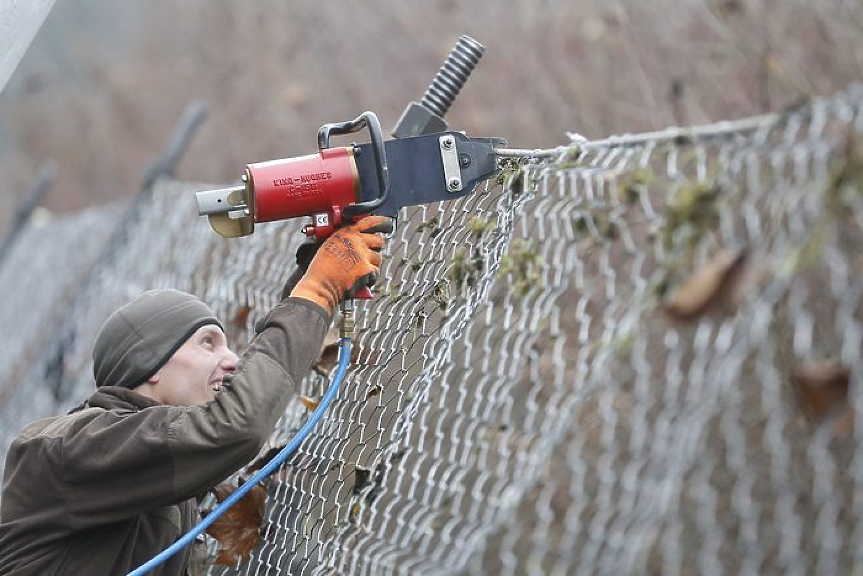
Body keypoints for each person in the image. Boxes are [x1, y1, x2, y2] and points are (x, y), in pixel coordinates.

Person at [0, 216, 392, 575]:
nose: (233, 360)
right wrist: (318, 290)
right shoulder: (71, 447)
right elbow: (234, 425)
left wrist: (309, 280)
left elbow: (241, 407)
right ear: (150, 364)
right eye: (208, 343)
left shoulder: (159, 470)